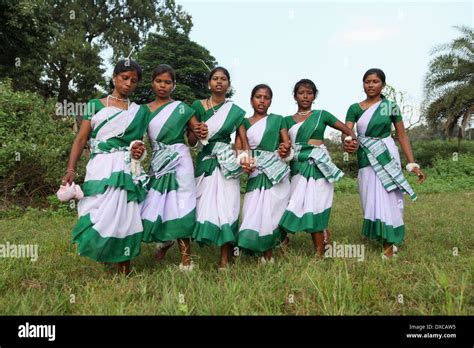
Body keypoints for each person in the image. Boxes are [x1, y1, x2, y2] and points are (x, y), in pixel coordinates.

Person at [63, 59, 148, 275]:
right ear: (114, 78)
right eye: (124, 78)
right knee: (98, 211)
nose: (129, 83)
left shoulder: (139, 112)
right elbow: (81, 139)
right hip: (100, 166)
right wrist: (71, 170)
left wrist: (139, 151)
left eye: (134, 81)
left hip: (126, 167)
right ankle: (105, 253)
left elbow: (138, 144)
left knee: (125, 214)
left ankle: (124, 267)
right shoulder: (95, 105)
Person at [343, 68, 426, 258]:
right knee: (369, 195)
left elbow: (402, 135)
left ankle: (390, 240)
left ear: (383, 85)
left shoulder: (390, 106)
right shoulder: (354, 108)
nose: (371, 85)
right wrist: (347, 142)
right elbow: (347, 132)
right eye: (367, 82)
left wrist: (412, 163)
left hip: (387, 154)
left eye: (375, 82)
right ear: (363, 84)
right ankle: (380, 233)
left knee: (390, 195)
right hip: (366, 155)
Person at [279, 79, 357, 256]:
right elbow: (283, 146)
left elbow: (347, 130)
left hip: (320, 165)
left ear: (314, 96)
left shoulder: (322, 115)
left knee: (317, 204)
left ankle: (320, 252)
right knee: (293, 203)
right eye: (301, 92)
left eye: (309, 92)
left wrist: (350, 142)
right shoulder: (285, 121)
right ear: (295, 96)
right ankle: (282, 239)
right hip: (298, 165)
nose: (305, 96)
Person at [139, 64, 206, 270]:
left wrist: (199, 131)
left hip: (180, 160)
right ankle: (165, 240)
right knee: (155, 203)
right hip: (158, 162)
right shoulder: (143, 110)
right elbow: (137, 141)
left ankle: (186, 261)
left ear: (174, 85)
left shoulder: (184, 108)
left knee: (182, 204)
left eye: (167, 82)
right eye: (159, 81)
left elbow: (193, 140)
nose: (163, 85)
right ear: (152, 83)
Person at [189, 67, 250, 270]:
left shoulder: (235, 111)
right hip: (206, 160)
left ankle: (224, 259)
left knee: (228, 206)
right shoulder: (197, 106)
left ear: (228, 85)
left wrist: (245, 159)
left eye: (223, 79)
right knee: (203, 205)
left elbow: (242, 141)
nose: (219, 82)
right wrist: (197, 132)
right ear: (209, 83)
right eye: (215, 78)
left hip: (227, 161)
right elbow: (190, 139)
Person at [236, 84, 291, 263]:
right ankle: (256, 249)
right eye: (258, 96)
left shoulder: (278, 119)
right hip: (255, 169)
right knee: (253, 210)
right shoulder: (242, 122)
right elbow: (239, 149)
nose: (262, 100)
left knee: (272, 210)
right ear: (252, 99)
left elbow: (287, 145)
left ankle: (268, 254)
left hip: (275, 169)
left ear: (270, 101)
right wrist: (244, 161)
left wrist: (285, 149)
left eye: (266, 97)